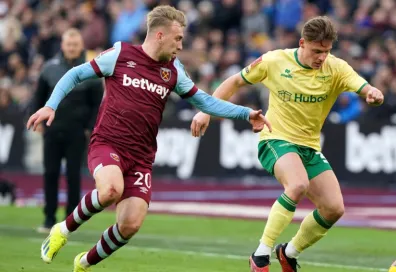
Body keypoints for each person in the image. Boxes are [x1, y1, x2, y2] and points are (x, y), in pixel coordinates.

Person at [27, 5, 271, 272]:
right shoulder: (121, 54)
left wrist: (245, 113)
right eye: (177, 39)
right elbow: (76, 74)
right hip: (108, 143)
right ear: (159, 35)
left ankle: (83, 263)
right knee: (110, 190)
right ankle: (62, 229)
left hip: (141, 157)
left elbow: (205, 102)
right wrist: (51, 105)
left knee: (129, 225)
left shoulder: (173, 71)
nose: (180, 45)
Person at [190, 16, 384, 272]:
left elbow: (363, 87)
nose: (321, 57)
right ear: (302, 43)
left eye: (326, 51)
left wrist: (373, 93)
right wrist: (206, 111)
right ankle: (261, 254)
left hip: (309, 148)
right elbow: (235, 81)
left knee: (334, 209)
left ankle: (288, 252)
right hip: (275, 139)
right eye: (316, 51)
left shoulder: (336, 68)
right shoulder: (274, 61)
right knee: (298, 184)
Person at [31, 28, 104, 234]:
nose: (71, 48)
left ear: (81, 46)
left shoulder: (91, 70)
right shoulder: (49, 68)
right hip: (52, 130)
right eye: (68, 44)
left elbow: (97, 104)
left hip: (77, 132)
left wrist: (90, 128)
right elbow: (39, 97)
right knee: (50, 174)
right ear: (62, 45)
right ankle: (48, 218)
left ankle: (70, 221)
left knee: (73, 176)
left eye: (75, 44)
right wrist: (37, 120)